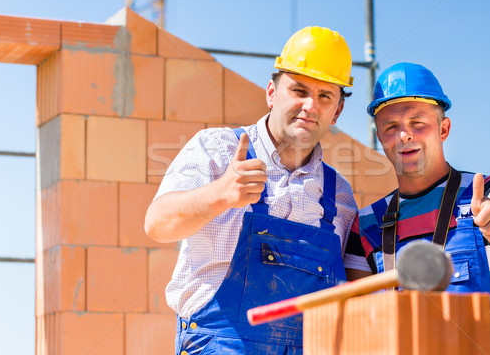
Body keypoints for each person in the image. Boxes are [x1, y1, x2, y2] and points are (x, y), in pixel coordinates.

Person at [145, 26, 358, 354]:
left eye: (324, 96)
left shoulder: (339, 196)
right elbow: (157, 224)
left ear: (337, 111)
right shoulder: (217, 148)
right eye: (298, 90)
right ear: (272, 92)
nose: (309, 106)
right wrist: (220, 193)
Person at [344, 62, 490, 307]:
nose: (404, 135)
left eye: (418, 123)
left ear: (444, 129)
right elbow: (359, 318)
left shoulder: (487, 191)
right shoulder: (365, 226)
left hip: (485, 346)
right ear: (379, 137)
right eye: (391, 127)